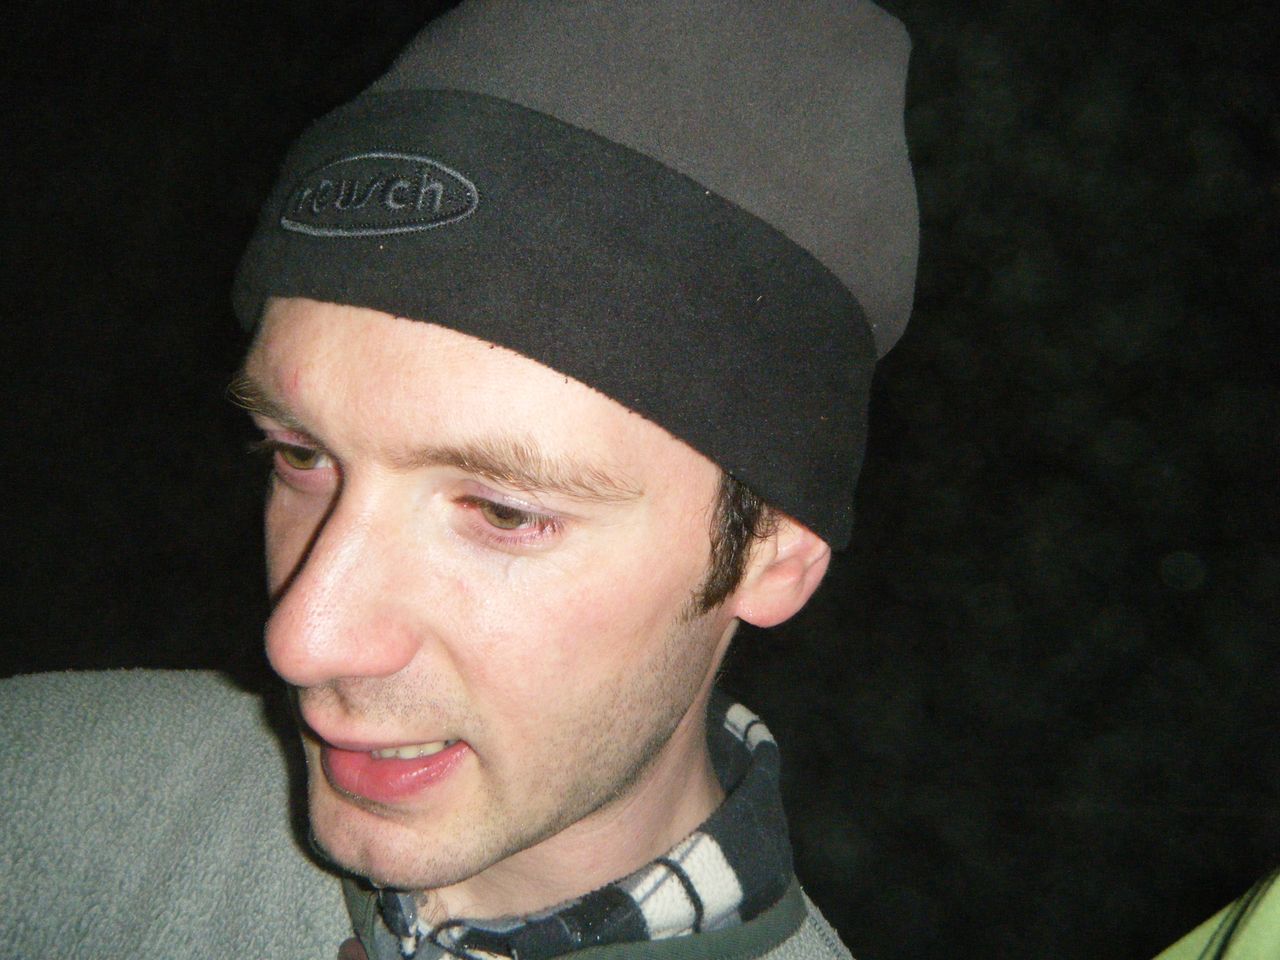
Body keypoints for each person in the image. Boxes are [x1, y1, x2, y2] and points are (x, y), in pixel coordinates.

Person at [1, 3, 917, 958]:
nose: (303, 640)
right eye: (302, 456)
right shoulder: (44, 787)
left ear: (773, 551)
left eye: (503, 512)